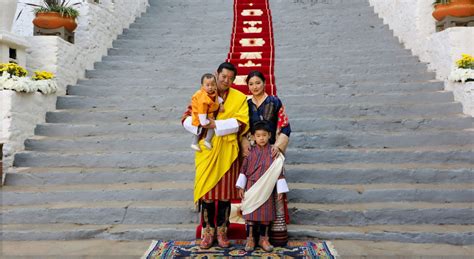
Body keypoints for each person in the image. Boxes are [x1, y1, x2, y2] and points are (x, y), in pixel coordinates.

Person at [181, 62, 249, 249]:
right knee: (208, 195)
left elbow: (242, 123)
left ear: (234, 80)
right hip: (207, 151)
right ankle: (207, 232)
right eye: (223, 76)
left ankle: (222, 232)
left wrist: (216, 125)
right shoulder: (201, 94)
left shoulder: (239, 98)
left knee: (226, 196)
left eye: (230, 78)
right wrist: (201, 124)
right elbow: (186, 117)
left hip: (228, 151)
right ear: (216, 74)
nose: (225, 81)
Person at [241, 70, 292, 247]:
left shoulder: (274, 102)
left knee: (271, 196)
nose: (255, 87)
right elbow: (241, 127)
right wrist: (244, 143)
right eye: (251, 84)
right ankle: (250, 237)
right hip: (253, 154)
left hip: (271, 153)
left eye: (258, 83)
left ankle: (268, 237)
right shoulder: (245, 104)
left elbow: (285, 127)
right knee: (252, 192)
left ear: (264, 83)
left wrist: (277, 147)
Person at [236, 121, 289, 252]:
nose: (261, 138)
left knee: (265, 216)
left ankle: (263, 239)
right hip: (252, 187)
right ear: (253, 137)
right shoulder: (250, 153)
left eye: (264, 135)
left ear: (269, 135)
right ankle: (250, 239)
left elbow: (278, 171)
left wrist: (280, 190)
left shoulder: (273, 153)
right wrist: (241, 187)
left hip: (267, 188)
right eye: (258, 135)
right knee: (251, 216)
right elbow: (243, 170)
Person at [188, 73, 224, 151]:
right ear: (202, 86)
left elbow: (218, 98)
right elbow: (201, 111)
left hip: (209, 114)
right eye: (207, 85)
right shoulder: (203, 98)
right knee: (198, 129)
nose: (210, 87)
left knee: (213, 126)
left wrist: (221, 105)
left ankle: (207, 140)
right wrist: (204, 122)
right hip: (199, 114)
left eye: (213, 85)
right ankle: (194, 143)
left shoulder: (214, 92)